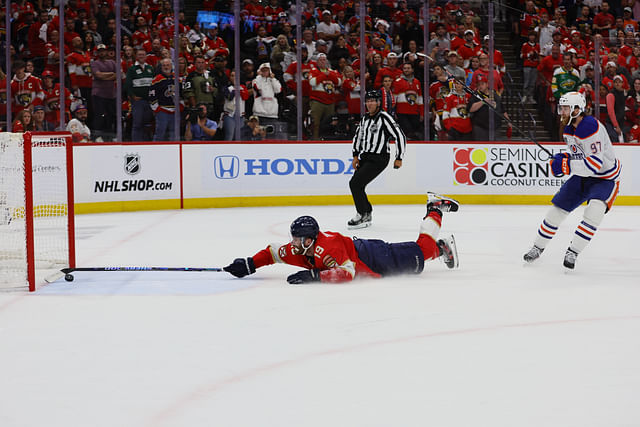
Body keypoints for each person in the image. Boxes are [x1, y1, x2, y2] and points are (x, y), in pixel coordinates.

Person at [223, 193, 460, 284]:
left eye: (298, 240)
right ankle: (442, 248)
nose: (293, 244)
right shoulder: (298, 249)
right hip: (361, 253)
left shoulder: (326, 249)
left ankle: (435, 208)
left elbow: (347, 272)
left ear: (310, 240)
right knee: (423, 254)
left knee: (423, 251)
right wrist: (250, 264)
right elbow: (274, 251)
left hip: (371, 255)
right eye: (293, 239)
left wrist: (315, 275)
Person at [523, 92, 621, 270]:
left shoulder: (590, 127)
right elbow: (579, 154)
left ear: (578, 109)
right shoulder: (569, 128)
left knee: (594, 213)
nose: (562, 111)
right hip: (583, 176)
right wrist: (564, 157)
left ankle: (573, 252)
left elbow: (593, 164)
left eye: (566, 108)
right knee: (556, 211)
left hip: (605, 179)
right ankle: (537, 247)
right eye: (562, 107)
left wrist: (566, 165)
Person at [348, 90, 407, 229]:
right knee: (358, 185)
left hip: (379, 158)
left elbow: (400, 136)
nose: (370, 103)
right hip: (366, 156)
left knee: (355, 184)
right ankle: (366, 213)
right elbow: (358, 137)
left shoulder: (384, 118)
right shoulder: (364, 118)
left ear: (378, 103)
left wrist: (399, 157)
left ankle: (362, 214)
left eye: (373, 101)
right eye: (368, 101)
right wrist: (355, 156)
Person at [125, 49, 155, 141]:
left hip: (149, 101)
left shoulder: (150, 68)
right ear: (136, 56)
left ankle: (145, 143)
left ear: (146, 56)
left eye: (143, 54)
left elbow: (154, 83)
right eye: (139, 55)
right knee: (137, 124)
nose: (141, 56)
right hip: (138, 101)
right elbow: (128, 84)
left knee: (147, 124)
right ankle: (136, 143)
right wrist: (132, 96)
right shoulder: (132, 69)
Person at [149, 58, 178, 141]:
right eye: (164, 65)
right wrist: (156, 108)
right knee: (160, 133)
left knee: (174, 133)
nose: (166, 67)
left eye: (168, 65)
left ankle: (174, 151)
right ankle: (156, 150)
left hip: (175, 111)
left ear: (171, 66)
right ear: (161, 67)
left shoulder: (176, 78)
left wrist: (181, 104)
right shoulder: (157, 79)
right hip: (162, 110)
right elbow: (152, 94)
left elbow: (181, 93)